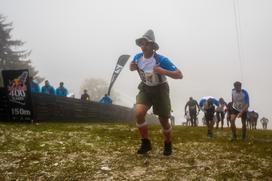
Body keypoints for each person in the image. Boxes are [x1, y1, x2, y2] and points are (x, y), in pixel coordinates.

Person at [130, 29, 183, 156]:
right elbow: (133, 67)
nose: (144, 46)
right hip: (145, 88)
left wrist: (162, 71)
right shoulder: (137, 58)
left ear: (153, 46)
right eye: (142, 43)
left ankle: (168, 143)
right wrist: (132, 67)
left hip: (160, 89)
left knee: (163, 120)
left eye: (147, 43)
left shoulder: (161, 60)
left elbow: (179, 75)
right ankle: (145, 142)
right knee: (138, 113)